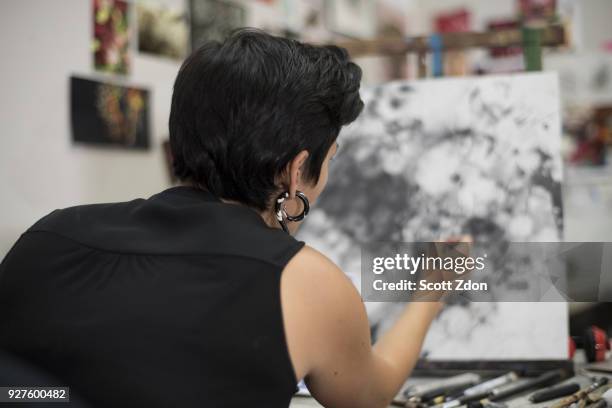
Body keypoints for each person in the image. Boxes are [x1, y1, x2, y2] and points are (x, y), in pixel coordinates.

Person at [0, 28, 443, 408]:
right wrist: (430, 295)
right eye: (329, 160)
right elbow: (371, 394)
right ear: (295, 170)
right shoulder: (304, 282)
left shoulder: (48, 236)